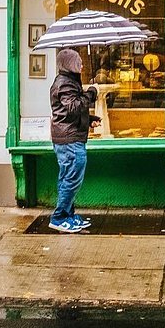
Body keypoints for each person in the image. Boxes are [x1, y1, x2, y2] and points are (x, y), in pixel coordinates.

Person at [49, 47, 100, 234]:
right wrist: (92, 94)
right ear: (70, 64)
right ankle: (59, 217)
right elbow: (73, 107)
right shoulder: (65, 83)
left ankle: (68, 216)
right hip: (69, 141)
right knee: (72, 179)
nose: (81, 64)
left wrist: (89, 120)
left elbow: (67, 113)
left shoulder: (68, 82)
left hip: (69, 137)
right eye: (78, 61)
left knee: (67, 178)